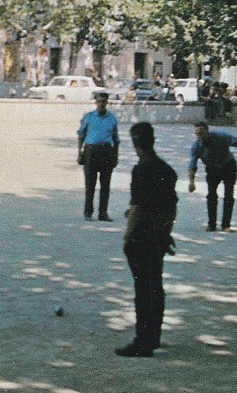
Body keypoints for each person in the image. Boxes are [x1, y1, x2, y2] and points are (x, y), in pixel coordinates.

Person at [116, 123, 178, 357]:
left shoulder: (141, 170)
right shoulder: (166, 169)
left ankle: (143, 341)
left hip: (142, 236)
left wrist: (127, 235)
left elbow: (138, 207)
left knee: (142, 289)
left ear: (135, 143)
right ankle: (154, 336)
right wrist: (166, 233)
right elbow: (172, 207)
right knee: (155, 286)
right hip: (158, 235)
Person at [188, 120, 237, 232]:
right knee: (211, 196)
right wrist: (191, 182)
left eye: (202, 133)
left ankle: (226, 225)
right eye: (197, 134)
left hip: (228, 166)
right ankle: (212, 224)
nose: (200, 136)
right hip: (212, 169)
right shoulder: (196, 146)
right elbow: (192, 165)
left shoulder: (220, 136)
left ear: (207, 131)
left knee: (229, 195)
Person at [76, 90, 120, 221]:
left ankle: (103, 213)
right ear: (95, 102)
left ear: (107, 102)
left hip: (106, 152)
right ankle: (88, 212)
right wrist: (79, 153)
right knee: (90, 184)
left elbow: (116, 139)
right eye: (99, 101)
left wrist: (116, 156)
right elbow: (81, 136)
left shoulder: (112, 118)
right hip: (91, 152)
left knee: (105, 185)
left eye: (104, 101)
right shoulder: (88, 117)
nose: (101, 104)